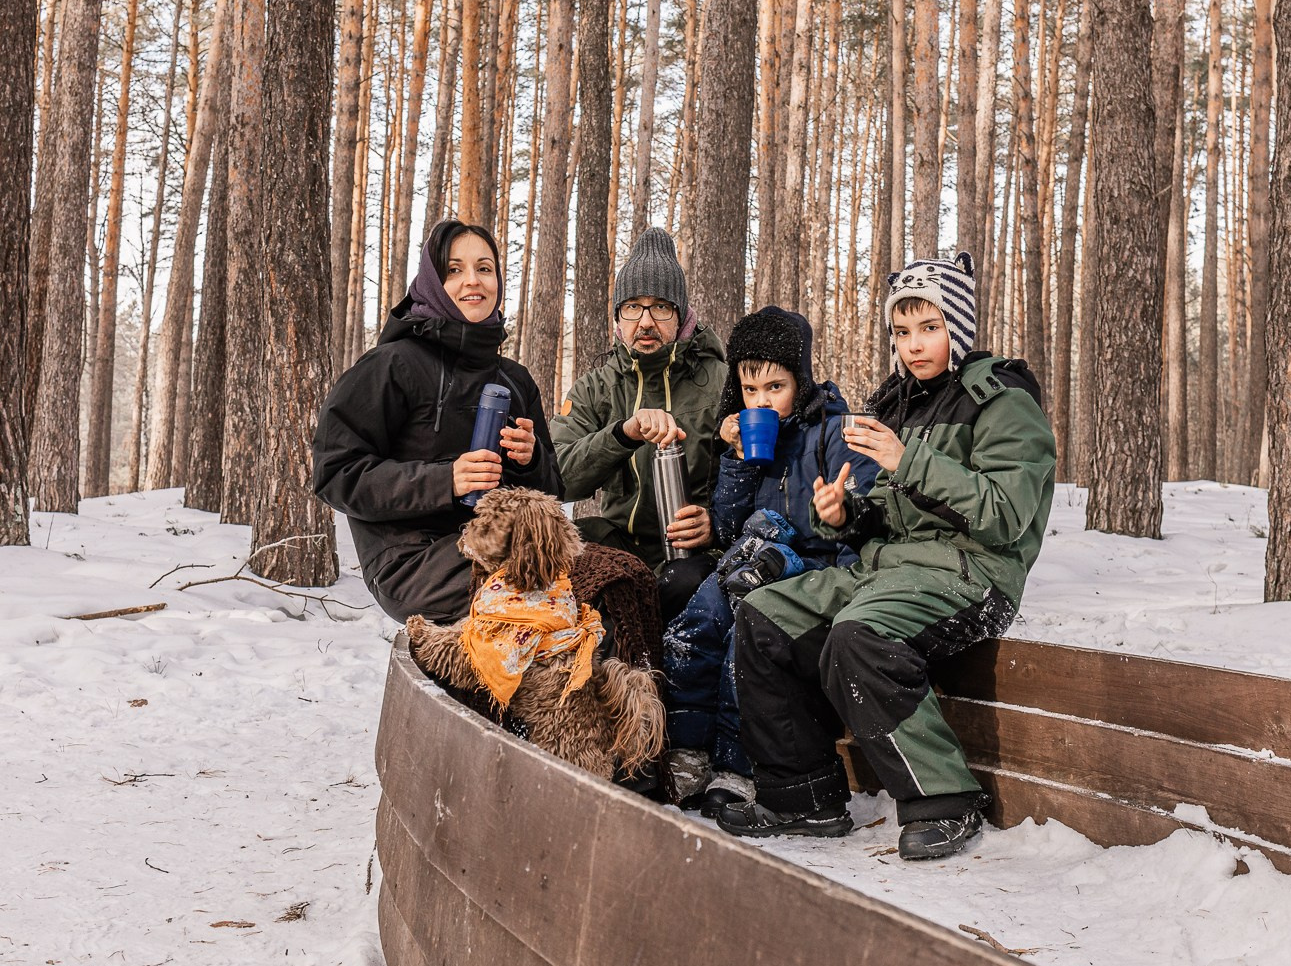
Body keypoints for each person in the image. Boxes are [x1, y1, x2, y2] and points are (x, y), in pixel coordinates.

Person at [718, 253, 1056, 862]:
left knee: (859, 634)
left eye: (929, 327)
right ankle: (802, 795)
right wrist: (846, 513)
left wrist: (910, 461)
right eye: (902, 332)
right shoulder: (897, 403)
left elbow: (1006, 515)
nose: (914, 345)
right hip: (890, 571)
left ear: (959, 324)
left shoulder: (1003, 401)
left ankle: (945, 799)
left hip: (972, 573)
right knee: (765, 615)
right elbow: (887, 513)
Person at [659, 307, 878, 818]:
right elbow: (731, 527)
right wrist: (735, 458)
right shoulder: (753, 441)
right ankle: (689, 751)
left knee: (743, 639)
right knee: (695, 623)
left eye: (775, 388)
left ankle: (737, 767)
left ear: (799, 381)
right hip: (747, 562)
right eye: (750, 391)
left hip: (810, 574)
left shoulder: (836, 431)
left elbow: (855, 530)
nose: (763, 402)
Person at [311, 220, 561, 625]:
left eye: (484, 268)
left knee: (612, 574)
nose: (472, 281)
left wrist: (529, 460)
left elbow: (552, 489)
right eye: (454, 270)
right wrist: (447, 481)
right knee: (556, 593)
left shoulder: (514, 380)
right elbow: (335, 473)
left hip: (502, 545)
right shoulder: (392, 365)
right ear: (432, 281)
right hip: (411, 561)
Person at [551, 228, 727, 620]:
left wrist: (716, 525)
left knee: (682, 585)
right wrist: (620, 435)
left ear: (680, 314)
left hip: (693, 554)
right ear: (618, 316)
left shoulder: (720, 383)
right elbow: (557, 475)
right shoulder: (597, 387)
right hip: (620, 545)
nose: (645, 322)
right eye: (633, 307)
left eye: (660, 307)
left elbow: (758, 475)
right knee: (565, 549)